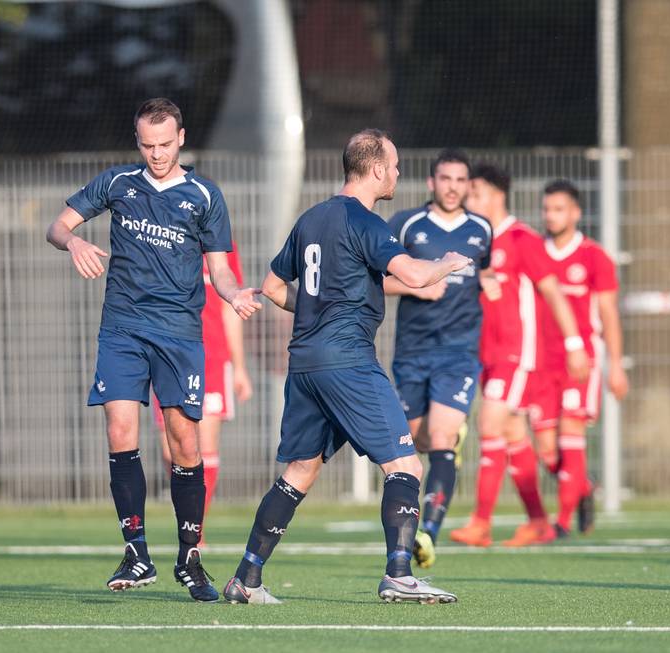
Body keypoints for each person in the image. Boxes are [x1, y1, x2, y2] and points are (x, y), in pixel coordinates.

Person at [222, 129, 470, 605]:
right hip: (348, 361)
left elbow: (273, 288)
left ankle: (245, 578)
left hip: (306, 364)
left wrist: (315, 308)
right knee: (405, 464)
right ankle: (399, 573)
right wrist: (448, 261)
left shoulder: (311, 219)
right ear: (377, 169)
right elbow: (415, 276)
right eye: (394, 166)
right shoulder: (368, 223)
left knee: (299, 470)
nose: (397, 173)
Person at [45, 98, 260, 602]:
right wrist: (72, 243)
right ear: (137, 141)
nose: (157, 154)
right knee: (120, 428)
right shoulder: (118, 183)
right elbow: (57, 226)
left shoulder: (205, 195)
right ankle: (136, 550)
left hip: (180, 334)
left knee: (185, 445)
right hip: (122, 327)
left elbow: (221, 269)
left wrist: (233, 296)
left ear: (181, 138)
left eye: (165, 144)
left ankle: (189, 557)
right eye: (147, 145)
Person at [449, 163, 589, 547]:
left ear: (495, 195)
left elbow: (554, 293)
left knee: (489, 423)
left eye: (474, 192)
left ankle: (481, 522)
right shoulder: (475, 241)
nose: (468, 199)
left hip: (518, 354)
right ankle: (539, 521)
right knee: (512, 433)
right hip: (487, 353)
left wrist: (575, 345)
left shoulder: (522, 239)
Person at [384, 149, 492, 567]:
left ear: (468, 185)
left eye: (460, 180)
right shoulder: (408, 224)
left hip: (459, 352)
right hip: (412, 352)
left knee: (442, 439)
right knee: (416, 443)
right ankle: (444, 443)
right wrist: (414, 286)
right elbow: (375, 278)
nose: (452, 187)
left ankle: (427, 533)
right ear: (432, 183)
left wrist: (490, 284)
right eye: (445, 179)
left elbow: (487, 273)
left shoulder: (482, 230)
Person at [520, 180, 628, 540]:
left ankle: (562, 521)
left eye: (559, 209)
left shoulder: (595, 257)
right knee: (548, 451)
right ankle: (583, 488)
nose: (551, 216)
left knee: (571, 435)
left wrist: (615, 365)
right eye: (547, 209)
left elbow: (609, 314)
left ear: (576, 213)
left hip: (580, 361)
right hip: (541, 363)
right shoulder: (534, 251)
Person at [152, 245, 252, 544]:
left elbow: (230, 309)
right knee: (172, 451)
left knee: (203, 448)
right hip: (169, 357)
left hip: (211, 358)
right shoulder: (162, 240)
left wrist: (239, 367)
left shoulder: (223, 247)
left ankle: (195, 528)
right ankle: (187, 515)